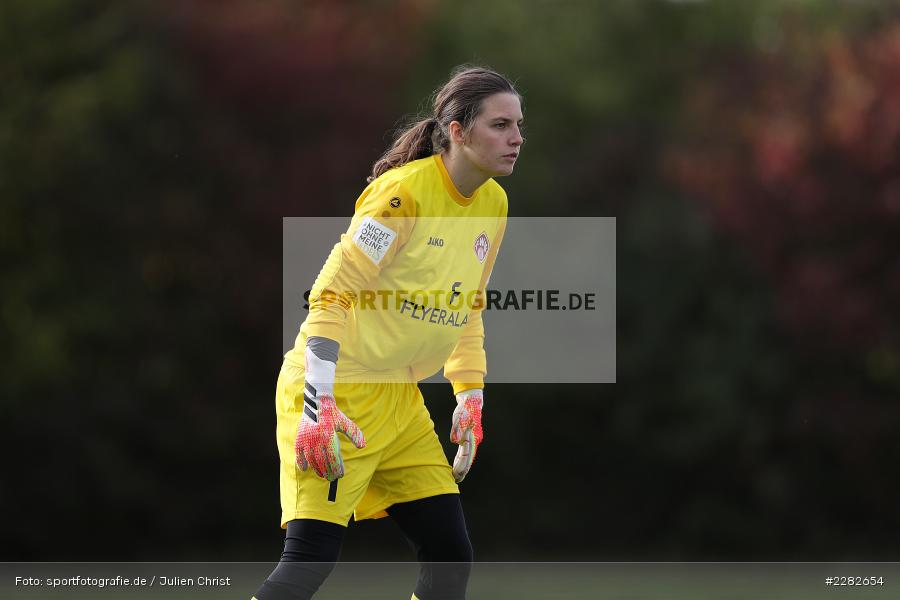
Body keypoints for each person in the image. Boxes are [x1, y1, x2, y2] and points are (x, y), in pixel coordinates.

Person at [254, 65, 524, 600]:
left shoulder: (494, 203)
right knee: (307, 565)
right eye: (500, 124)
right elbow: (329, 295)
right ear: (457, 130)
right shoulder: (400, 196)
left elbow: (467, 303)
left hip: (399, 400)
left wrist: (469, 393)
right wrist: (319, 401)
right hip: (337, 396)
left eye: (519, 124)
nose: (516, 137)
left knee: (449, 557)